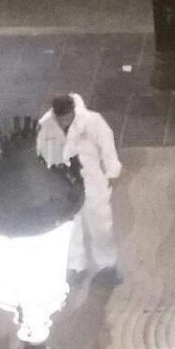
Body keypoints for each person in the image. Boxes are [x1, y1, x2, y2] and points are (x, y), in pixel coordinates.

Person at [37, 93, 122, 285]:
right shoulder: (45, 126)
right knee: (69, 227)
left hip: (92, 182)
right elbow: (40, 153)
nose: (64, 122)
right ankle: (75, 265)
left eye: (67, 117)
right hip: (63, 184)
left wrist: (111, 173)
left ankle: (107, 265)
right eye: (61, 118)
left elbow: (108, 148)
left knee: (101, 226)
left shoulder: (93, 121)